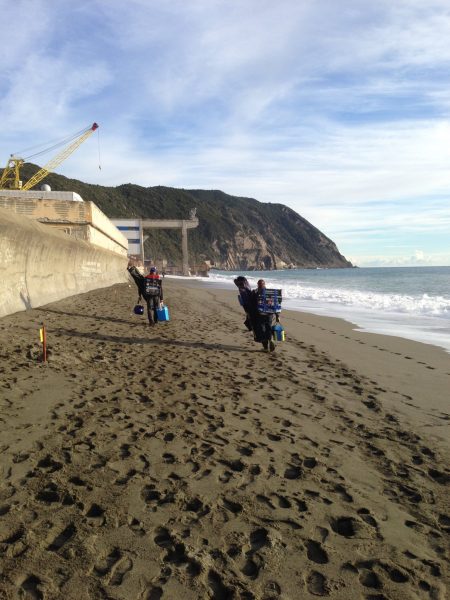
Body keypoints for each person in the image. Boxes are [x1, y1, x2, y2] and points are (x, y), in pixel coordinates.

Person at [252, 279, 277, 352]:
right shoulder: (270, 292)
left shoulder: (256, 292)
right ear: (264, 284)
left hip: (260, 315)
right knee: (268, 328)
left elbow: (252, 302)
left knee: (261, 330)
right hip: (269, 314)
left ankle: (266, 347)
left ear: (258, 284)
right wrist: (277, 315)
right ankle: (271, 339)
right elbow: (275, 303)